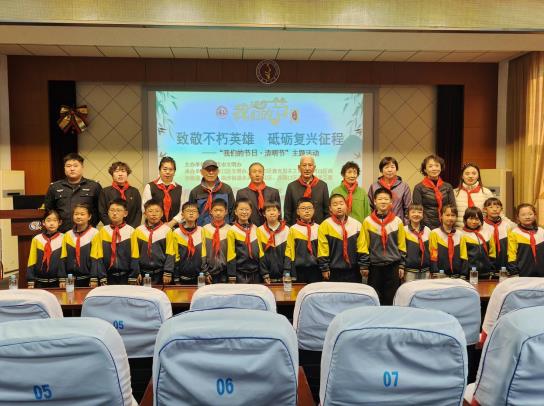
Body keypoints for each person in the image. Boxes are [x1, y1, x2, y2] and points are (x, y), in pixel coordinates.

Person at [360, 188, 406, 305]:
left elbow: (402, 245)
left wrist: (401, 265)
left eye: (386, 199)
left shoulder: (397, 221)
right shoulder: (367, 221)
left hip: (393, 266)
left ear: (391, 202)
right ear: (375, 201)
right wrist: (364, 265)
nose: (383, 201)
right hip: (374, 266)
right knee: (375, 299)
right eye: (380, 199)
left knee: (391, 299)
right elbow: (363, 245)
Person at [44, 153, 102, 232]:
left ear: (82, 167)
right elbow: (49, 210)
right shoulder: (55, 187)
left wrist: (90, 225)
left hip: (87, 232)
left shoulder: (94, 186)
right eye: (68, 166)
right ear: (64, 168)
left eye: (75, 166)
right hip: (62, 232)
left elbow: (100, 210)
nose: (72, 169)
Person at [318, 194, 368, 283]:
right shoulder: (325, 225)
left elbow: (362, 247)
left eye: (341, 204)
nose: (339, 207)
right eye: (335, 204)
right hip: (333, 271)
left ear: (346, 205)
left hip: (354, 270)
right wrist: (324, 268)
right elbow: (322, 249)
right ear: (330, 208)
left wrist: (364, 266)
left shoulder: (356, 224)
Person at [131, 199, 175, 285]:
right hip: (143, 273)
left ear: (162, 214)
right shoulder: (138, 231)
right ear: (145, 214)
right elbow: (134, 253)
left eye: (157, 211)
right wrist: (136, 272)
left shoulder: (167, 230)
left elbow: (170, 252)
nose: (154, 214)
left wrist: (168, 272)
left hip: (161, 273)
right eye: (150, 211)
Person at [227, 198, 267, 284]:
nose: (244, 212)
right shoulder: (232, 230)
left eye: (247, 209)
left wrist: (265, 273)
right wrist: (232, 275)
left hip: (256, 273)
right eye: (241, 209)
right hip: (240, 273)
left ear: (251, 211)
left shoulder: (255, 228)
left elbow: (260, 252)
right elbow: (231, 254)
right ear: (235, 212)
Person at [95, 199, 135, 285]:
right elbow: (99, 256)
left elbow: (135, 255)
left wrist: (133, 275)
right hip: (108, 276)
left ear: (125, 213)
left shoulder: (131, 231)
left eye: (118, 210)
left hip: (126, 276)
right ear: (108, 212)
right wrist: (102, 276)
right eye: (112, 210)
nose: (114, 213)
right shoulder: (103, 231)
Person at [60, 203, 101, 287]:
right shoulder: (67, 234)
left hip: (88, 277)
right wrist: (62, 278)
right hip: (70, 277)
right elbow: (63, 257)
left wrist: (94, 278)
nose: (78, 217)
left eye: (82, 214)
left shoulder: (95, 233)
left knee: (86, 295)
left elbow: (95, 258)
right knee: (70, 295)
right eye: (76, 214)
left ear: (89, 216)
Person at [412, 154, 456, 229]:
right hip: (426, 226)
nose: (434, 168)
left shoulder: (448, 187)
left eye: (437, 165)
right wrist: (428, 227)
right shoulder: (419, 188)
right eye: (430, 166)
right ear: (425, 170)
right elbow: (418, 210)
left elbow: (452, 208)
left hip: (446, 225)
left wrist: (447, 223)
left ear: (441, 168)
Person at [284, 155, 329, 225]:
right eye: (304, 165)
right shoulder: (291, 186)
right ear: (299, 168)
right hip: (297, 228)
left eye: (310, 165)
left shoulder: (322, 185)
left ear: (314, 168)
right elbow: (287, 212)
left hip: (318, 227)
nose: (307, 168)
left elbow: (327, 211)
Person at [142, 156, 186, 227]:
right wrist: (158, 224)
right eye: (165, 169)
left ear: (174, 172)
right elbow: (145, 208)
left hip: (175, 227)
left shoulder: (181, 189)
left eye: (171, 169)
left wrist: (172, 223)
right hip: (154, 226)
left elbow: (183, 210)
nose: (168, 172)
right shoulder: (150, 186)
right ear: (159, 171)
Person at [284, 197, 320, 283]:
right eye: (303, 208)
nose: (307, 211)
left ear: (314, 210)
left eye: (309, 208)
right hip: (298, 269)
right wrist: (287, 269)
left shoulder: (319, 228)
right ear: (298, 211)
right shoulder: (293, 229)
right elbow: (289, 250)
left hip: (316, 268)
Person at [189, 160, 235, 226]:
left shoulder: (226, 189)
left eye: (214, 170)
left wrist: (230, 226)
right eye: (208, 170)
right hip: (202, 228)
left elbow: (232, 210)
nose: (211, 172)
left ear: (218, 171)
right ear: (201, 172)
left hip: (223, 228)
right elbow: (191, 212)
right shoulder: (195, 191)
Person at [27, 210, 64, 288]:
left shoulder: (64, 238)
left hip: (58, 282)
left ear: (60, 222)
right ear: (43, 222)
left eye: (55, 220)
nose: (51, 223)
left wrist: (63, 278)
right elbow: (31, 260)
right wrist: (31, 279)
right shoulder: (37, 239)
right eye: (48, 220)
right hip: (39, 281)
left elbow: (65, 261)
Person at [235, 162, 281, 226]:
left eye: (260, 172)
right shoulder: (241, 193)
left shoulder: (274, 192)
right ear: (249, 174)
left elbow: (278, 213)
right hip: (248, 227)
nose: (257, 174)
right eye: (254, 172)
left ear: (263, 174)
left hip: (269, 227)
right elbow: (238, 214)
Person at [98, 161, 142, 228]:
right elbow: (102, 212)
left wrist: (132, 228)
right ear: (112, 175)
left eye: (123, 171)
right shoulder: (105, 192)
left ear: (127, 174)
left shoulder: (135, 191)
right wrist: (111, 227)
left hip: (131, 229)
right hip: (111, 229)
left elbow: (138, 212)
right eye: (116, 171)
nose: (120, 174)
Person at [367, 157, 411, 222]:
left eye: (392, 167)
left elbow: (408, 208)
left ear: (396, 169)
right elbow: (370, 207)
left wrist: (405, 225)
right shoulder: (374, 186)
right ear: (381, 170)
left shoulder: (404, 186)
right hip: (378, 222)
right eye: (386, 167)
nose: (390, 170)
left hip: (397, 223)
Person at [507, 203, 544, 277]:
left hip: (542, 272)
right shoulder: (514, 233)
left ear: (535, 216)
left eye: (530, 214)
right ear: (518, 217)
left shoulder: (541, 231)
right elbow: (511, 254)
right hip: (523, 273)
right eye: (523, 215)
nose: (527, 217)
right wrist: (514, 272)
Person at [172, 202, 205, 285]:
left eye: (194, 211)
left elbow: (205, 254)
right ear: (182, 215)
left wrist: (205, 273)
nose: (191, 213)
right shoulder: (176, 232)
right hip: (181, 276)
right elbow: (175, 256)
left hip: (200, 276)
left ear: (198, 215)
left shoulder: (202, 231)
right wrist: (176, 277)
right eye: (188, 211)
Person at [453, 163, 494, 228]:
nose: (470, 176)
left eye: (474, 173)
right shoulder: (454, 193)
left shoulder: (486, 192)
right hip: (459, 230)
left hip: (481, 230)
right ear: (462, 176)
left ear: (478, 176)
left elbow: (496, 211)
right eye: (467, 174)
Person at [257, 201, 289, 283]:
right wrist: (264, 273)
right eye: (268, 210)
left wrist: (287, 271)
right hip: (267, 276)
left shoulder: (287, 229)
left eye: (274, 210)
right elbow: (260, 253)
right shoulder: (259, 230)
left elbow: (289, 253)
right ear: (264, 214)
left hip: (285, 276)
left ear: (279, 212)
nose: (272, 213)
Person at [460, 207, 496, 279]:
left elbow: (492, 254)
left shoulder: (487, 233)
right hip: (470, 275)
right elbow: (463, 257)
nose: (474, 222)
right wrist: (464, 274)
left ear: (480, 220)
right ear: (465, 219)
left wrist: (492, 270)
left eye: (477, 219)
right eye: (471, 219)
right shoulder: (462, 235)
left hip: (487, 273)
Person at [429, 204, 463, 278]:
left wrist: (463, 273)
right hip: (440, 275)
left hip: (457, 275)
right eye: (447, 215)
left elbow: (463, 256)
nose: (450, 218)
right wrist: (435, 271)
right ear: (441, 216)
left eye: (453, 215)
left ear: (456, 217)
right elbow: (433, 254)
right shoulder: (434, 233)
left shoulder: (460, 234)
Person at [482, 197, 515, 272]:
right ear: (485, 209)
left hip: (504, 257)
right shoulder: (482, 225)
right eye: (491, 207)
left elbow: (510, 244)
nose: (495, 209)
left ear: (501, 209)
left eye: (497, 207)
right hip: (488, 258)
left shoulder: (506, 225)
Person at [202, 199, 231, 284]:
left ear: (226, 212)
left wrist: (231, 274)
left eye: (221, 210)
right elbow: (203, 252)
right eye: (215, 210)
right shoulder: (205, 229)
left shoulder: (230, 229)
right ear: (211, 211)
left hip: (226, 272)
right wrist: (205, 271)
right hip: (209, 272)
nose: (218, 213)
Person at [404, 203, 431, 282]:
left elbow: (432, 250)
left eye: (419, 212)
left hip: (426, 271)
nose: (416, 214)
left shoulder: (427, 230)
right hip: (409, 271)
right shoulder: (404, 230)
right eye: (413, 212)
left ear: (423, 215)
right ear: (408, 215)